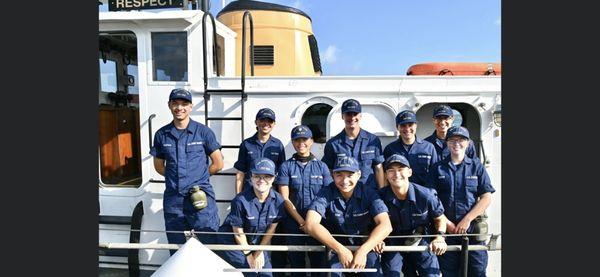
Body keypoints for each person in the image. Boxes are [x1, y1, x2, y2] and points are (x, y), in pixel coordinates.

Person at [150, 88, 224, 254]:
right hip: (174, 200)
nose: (179, 108)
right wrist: (175, 179)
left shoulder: (203, 132)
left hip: (200, 197)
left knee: (209, 246)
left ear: (190, 107)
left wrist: (199, 178)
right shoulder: (162, 135)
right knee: (176, 248)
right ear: (169, 105)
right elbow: (159, 166)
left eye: (184, 104)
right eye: (175, 103)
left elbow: (218, 164)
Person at [305, 156, 392, 277]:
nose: (345, 181)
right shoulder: (325, 193)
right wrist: (340, 250)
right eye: (339, 175)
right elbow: (310, 224)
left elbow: (386, 225)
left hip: (365, 244)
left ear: (358, 175)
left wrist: (363, 250)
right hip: (335, 247)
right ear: (332, 175)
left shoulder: (369, 193)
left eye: (350, 175)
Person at [427, 126, 495, 277]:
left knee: (477, 271)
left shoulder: (477, 167)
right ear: (447, 143)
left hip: (472, 233)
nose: (456, 143)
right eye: (452, 140)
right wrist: (446, 223)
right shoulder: (436, 169)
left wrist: (467, 220)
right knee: (449, 273)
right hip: (447, 232)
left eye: (461, 140)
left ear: (468, 143)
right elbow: (432, 199)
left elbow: (486, 197)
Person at [276, 125, 333, 276]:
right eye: (297, 140)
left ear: (312, 141)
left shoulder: (322, 167)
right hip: (294, 223)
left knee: (319, 264)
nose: (301, 143)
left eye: (305, 139)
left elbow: (328, 195)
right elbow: (284, 197)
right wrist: (302, 222)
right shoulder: (286, 166)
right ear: (293, 142)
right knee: (297, 265)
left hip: (318, 223)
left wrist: (311, 223)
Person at [379, 154, 448, 277]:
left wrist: (440, 238)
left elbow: (440, 218)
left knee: (431, 274)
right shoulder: (379, 197)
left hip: (420, 238)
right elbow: (372, 223)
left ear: (410, 172)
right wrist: (377, 240)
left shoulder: (426, 195)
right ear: (385, 175)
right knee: (391, 274)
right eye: (391, 171)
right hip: (392, 240)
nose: (396, 174)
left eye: (400, 170)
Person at [217, 158, 287, 277]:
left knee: (266, 274)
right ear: (251, 177)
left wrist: (259, 251)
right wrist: (249, 255)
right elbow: (238, 233)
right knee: (251, 272)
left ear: (274, 178)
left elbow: (271, 229)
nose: (262, 180)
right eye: (257, 176)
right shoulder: (240, 200)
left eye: (267, 176)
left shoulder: (278, 201)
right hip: (234, 243)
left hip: (257, 243)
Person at [322, 99, 385, 189]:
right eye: (348, 114)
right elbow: (328, 171)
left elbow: (378, 168)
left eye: (355, 114)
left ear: (360, 115)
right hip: (344, 194)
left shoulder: (373, 140)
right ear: (342, 116)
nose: (352, 118)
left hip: (368, 193)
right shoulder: (333, 144)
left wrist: (381, 192)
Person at [234, 108, 286, 193]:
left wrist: (281, 198)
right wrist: (238, 196)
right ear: (256, 122)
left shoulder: (278, 145)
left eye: (270, 121)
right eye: (262, 120)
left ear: (274, 124)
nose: (266, 124)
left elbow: (282, 174)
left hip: (271, 193)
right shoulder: (246, 144)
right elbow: (240, 173)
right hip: (249, 193)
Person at [383, 110, 439, 186]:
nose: (407, 129)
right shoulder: (390, 149)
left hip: (423, 193)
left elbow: (435, 174)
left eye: (410, 125)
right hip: (398, 194)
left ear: (416, 125)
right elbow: (385, 174)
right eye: (403, 125)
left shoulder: (429, 148)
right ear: (397, 127)